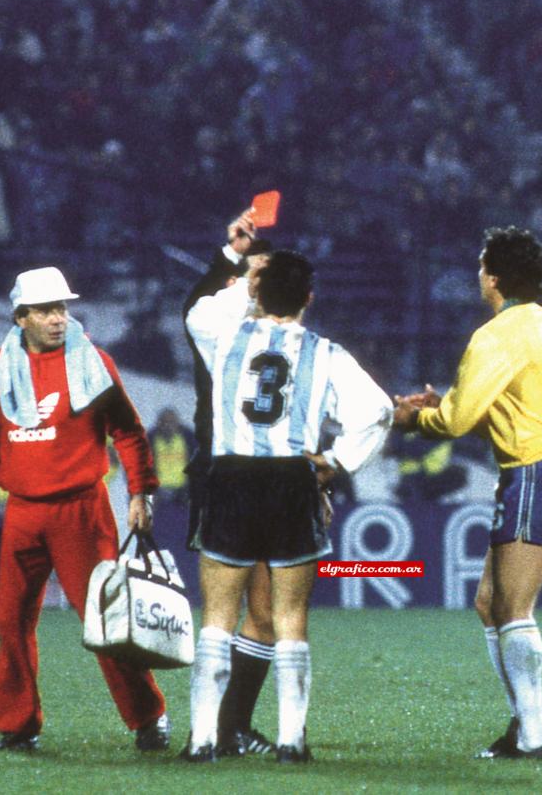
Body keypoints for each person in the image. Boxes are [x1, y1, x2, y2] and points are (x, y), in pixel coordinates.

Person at [184, 246, 393, 763]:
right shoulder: (326, 352)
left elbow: (198, 313)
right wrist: (335, 462)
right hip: (290, 479)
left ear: (259, 290)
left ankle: (202, 740)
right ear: (309, 299)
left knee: (216, 614)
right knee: (290, 616)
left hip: (231, 475)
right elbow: (379, 410)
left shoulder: (224, 335)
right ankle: (292, 742)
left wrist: (243, 283)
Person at [392, 226, 542, 761]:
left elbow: (453, 421)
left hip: (535, 470)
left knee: (513, 606)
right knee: (489, 604)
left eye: (481, 267)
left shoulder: (496, 334)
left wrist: (414, 418)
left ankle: (535, 736)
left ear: (494, 277)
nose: (478, 276)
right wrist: (447, 407)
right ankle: (524, 726)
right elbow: (504, 411)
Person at [0, 266, 170, 753]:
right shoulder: (2, 365)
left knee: (105, 622)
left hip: (81, 509)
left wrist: (141, 492)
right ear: (21, 318)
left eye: (62, 308)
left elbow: (129, 431)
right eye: (46, 310)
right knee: (11, 623)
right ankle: (17, 726)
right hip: (23, 512)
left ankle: (148, 718)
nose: (58, 318)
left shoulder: (92, 361)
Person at [183, 210, 276, 757]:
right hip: (225, 472)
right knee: (225, 612)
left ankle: (229, 726)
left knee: (263, 614)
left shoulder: (294, 339)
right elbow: (196, 308)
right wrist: (234, 261)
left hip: (273, 480)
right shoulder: (217, 321)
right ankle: (209, 733)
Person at [146, 407, 194, 502]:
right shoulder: (150, 440)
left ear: (177, 423)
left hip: (183, 494)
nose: (168, 426)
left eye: (172, 422)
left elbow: (199, 464)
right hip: (158, 496)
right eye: (165, 422)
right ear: (159, 423)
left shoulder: (188, 438)